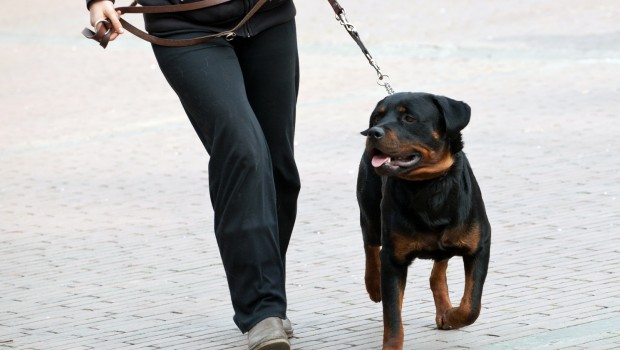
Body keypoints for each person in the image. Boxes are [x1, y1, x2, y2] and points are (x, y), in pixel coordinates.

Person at [86, 1, 300, 349]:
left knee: (279, 171)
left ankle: (269, 293)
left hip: (268, 16)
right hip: (183, 24)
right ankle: (262, 310)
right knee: (243, 151)